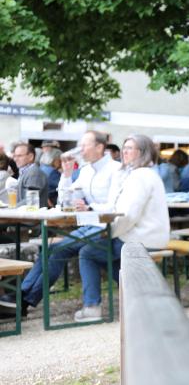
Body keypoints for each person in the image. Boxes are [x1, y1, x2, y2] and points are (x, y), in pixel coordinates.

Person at [0, 131, 122, 318]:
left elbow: (115, 205)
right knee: (51, 249)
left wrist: (89, 207)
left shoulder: (116, 169)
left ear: (99, 147)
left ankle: (22, 299)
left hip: (108, 227)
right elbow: (67, 199)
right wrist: (66, 175)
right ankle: (22, 297)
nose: (81, 149)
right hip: (89, 226)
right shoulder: (86, 170)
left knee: (58, 250)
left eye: (84, 145)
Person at [72, 134, 169, 322]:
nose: (125, 152)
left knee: (89, 252)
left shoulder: (140, 176)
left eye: (130, 148)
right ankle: (145, 298)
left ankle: (92, 307)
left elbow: (128, 216)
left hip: (141, 238)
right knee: (102, 252)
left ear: (143, 152)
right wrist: (95, 213)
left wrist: (108, 233)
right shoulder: (143, 174)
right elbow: (117, 208)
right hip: (146, 236)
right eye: (124, 148)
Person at [12, 143, 48, 207]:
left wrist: (11, 208)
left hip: (33, 216)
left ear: (31, 157)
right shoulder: (27, 172)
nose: (15, 159)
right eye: (15, 156)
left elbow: (30, 200)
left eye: (19, 156)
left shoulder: (34, 173)